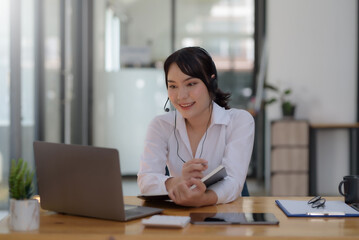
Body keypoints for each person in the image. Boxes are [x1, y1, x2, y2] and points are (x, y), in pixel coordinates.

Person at [137, 47, 254, 207]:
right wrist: (177, 182)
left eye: (191, 84)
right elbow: (146, 181)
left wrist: (203, 199)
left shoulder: (239, 121)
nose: (181, 96)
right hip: (179, 216)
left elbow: (233, 182)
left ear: (211, 83)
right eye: (173, 86)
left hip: (226, 217)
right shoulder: (161, 125)